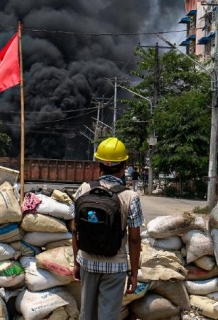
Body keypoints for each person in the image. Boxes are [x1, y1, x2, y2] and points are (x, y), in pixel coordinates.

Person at [72, 137, 142, 320]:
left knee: (86, 314)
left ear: (99, 163)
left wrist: (76, 261)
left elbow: (75, 229)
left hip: (87, 261)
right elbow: (134, 239)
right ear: (124, 165)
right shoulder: (130, 197)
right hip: (115, 265)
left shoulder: (84, 189)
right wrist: (134, 273)